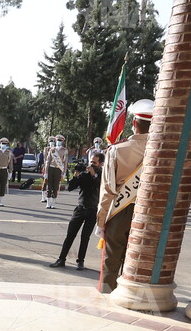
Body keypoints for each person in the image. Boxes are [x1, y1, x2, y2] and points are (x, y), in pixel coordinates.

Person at [95, 99, 153, 294]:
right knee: (136, 259)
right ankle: (129, 295)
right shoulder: (160, 151)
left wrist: (101, 219)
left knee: (111, 259)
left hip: (120, 210)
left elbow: (108, 190)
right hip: (146, 212)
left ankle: (106, 294)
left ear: (134, 124)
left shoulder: (117, 150)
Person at [48, 152, 103, 271]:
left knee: (85, 237)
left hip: (92, 210)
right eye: (91, 162)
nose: (91, 165)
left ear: (100, 164)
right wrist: (76, 174)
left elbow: (99, 187)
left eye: (94, 162)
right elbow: (70, 187)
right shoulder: (84, 174)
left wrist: (94, 175)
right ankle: (61, 259)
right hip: (80, 208)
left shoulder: (102, 175)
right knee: (70, 235)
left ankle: (80, 261)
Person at [43, 135, 68, 209]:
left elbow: (65, 162)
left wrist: (64, 173)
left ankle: (53, 202)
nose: (58, 142)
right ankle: (48, 202)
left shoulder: (64, 150)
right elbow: (48, 160)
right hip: (51, 168)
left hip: (58, 169)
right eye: (57, 140)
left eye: (60, 141)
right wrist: (46, 172)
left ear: (62, 142)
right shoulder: (52, 149)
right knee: (49, 186)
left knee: (56, 186)